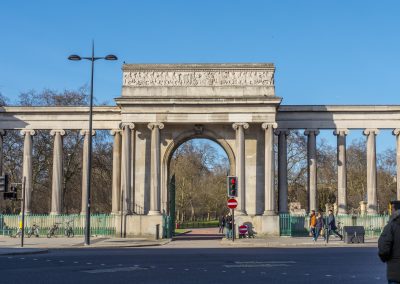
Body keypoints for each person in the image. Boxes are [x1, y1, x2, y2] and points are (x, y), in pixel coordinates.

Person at [378, 200, 400, 284]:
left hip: (396, 271)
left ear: (394, 210)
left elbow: (383, 247)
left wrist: (385, 258)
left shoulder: (391, 226)